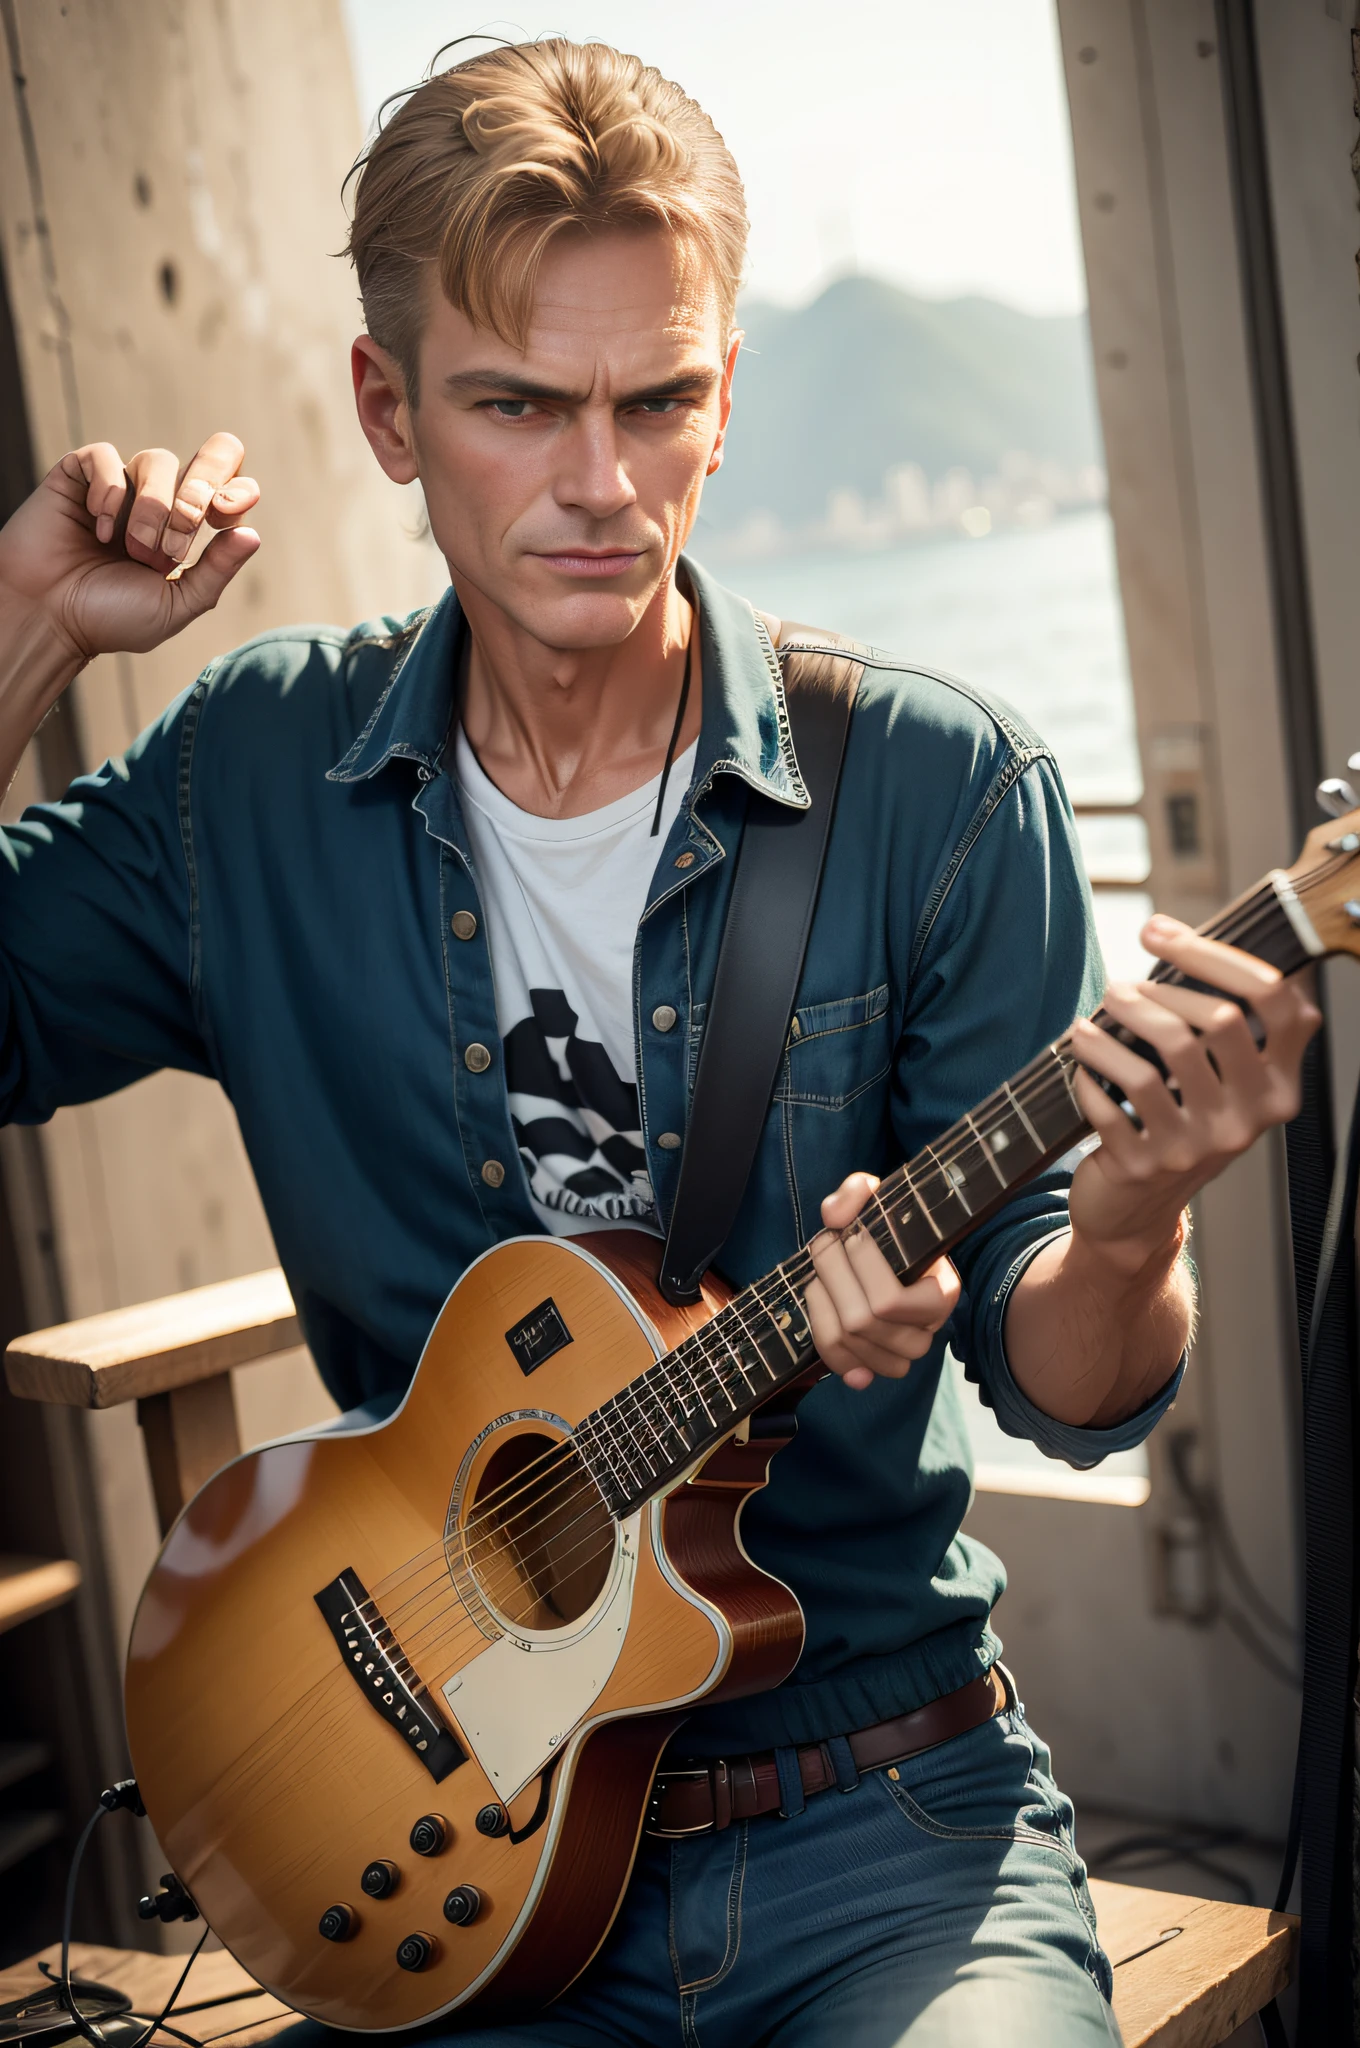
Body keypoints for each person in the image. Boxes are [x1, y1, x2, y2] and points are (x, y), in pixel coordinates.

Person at [0, 39, 1317, 2048]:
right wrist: (23, 631)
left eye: (655, 402)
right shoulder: (251, 775)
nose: (599, 484)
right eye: (516, 405)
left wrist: (1129, 1220)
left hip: (880, 1812)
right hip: (445, 1851)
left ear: (725, 404)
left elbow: (1065, 1386)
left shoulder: (937, 789)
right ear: (386, 408)